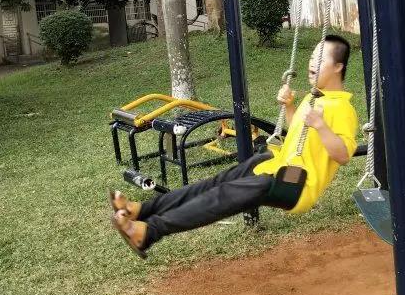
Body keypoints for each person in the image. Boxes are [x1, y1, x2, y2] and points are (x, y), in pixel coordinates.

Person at [109, 35, 359, 257]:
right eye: (312, 56)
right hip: (276, 164)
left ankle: (148, 232)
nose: (312, 63)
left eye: (320, 59)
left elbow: (343, 155)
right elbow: (300, 131)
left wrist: (321, 126)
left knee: (224, 195)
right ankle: (140, 210)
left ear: (338, 66)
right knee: (212, 184)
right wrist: (291, 106)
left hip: (297, 183)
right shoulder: (315, 97)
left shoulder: (343, 108)